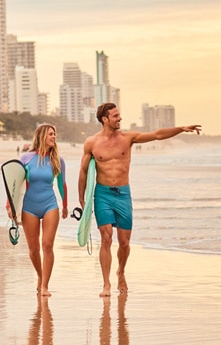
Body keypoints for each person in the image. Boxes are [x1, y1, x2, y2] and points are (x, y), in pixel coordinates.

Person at [78, 103, 201, 297]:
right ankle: (106, 284)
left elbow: (157, 134)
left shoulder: (128, 138)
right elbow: (84, 171)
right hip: (102, 194)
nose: (120, 118)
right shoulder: (91, 143)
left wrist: (181, 129)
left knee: (125, 243)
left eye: (119, 115)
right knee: (106, 237)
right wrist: (82, 199)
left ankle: (121, 272)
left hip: (123, 194)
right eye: (115, 116)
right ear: (105, 119)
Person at [7, 124, 68, 297]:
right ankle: (40, 277)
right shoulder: (26, 158)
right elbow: (15, 183)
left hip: (50, 204)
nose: (54, 137)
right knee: (34, 250)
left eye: (54, 134)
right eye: (50, 134)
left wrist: (64, 205)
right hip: (30, 207)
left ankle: (45, 286)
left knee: (47, 245)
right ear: (41, 136)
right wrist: (9, 205)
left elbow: (62, 184)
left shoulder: (57, 160)